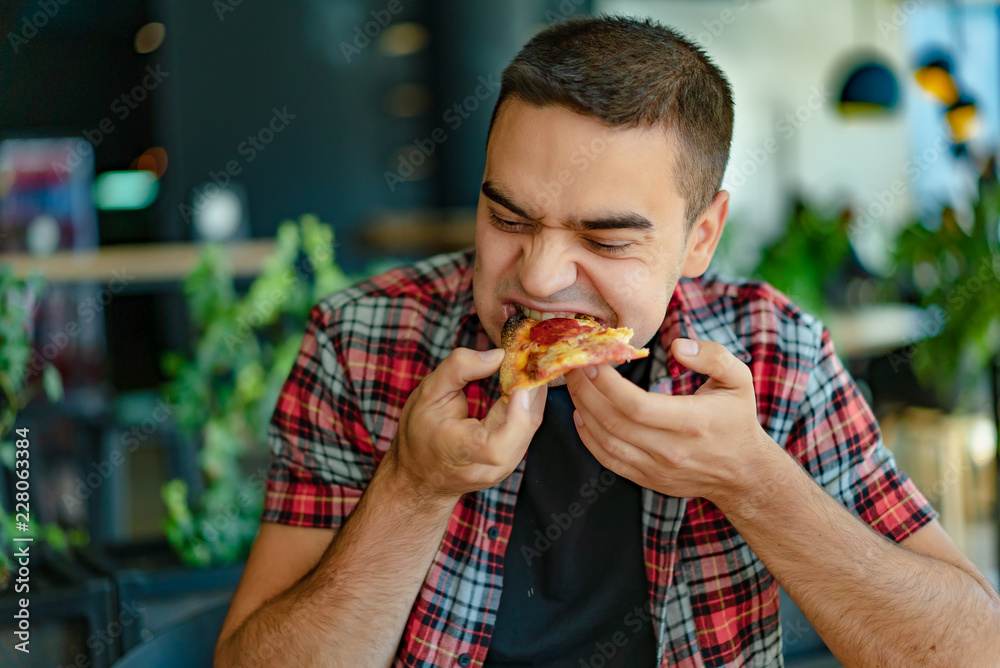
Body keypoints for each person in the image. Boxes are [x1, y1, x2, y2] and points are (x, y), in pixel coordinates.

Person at [214, 15, 1000, 668]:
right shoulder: (362, 340)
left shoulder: (775, 351)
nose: (541, 277)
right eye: (509, 219)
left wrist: (754, 482)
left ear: (701, 238)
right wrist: (412, 489)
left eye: (607, 238)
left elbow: (973, 651)